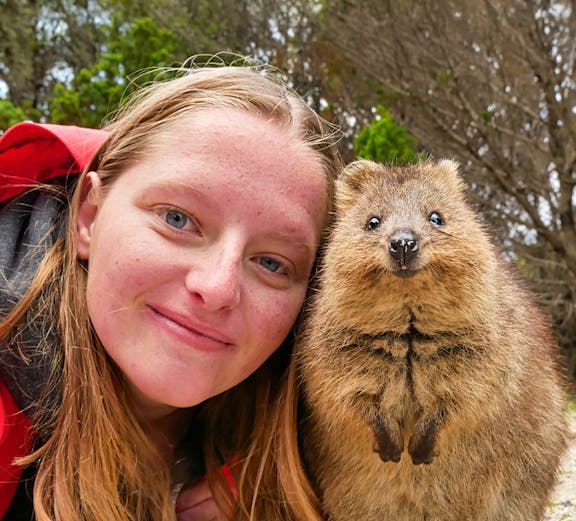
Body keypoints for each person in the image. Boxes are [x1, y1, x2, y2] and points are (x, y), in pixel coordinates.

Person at [0, 59, 342, 520]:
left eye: (271, 263)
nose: (218, 286)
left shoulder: (332, 454)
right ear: (89, 214)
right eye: (177, 218)